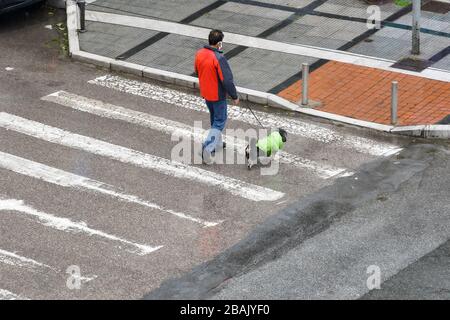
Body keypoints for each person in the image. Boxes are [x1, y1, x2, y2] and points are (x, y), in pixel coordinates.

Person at [194, 29, 239, 163]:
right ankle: (207, 149)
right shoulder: (219, 58)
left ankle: (217, 144)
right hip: (218, 95)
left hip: (206, 93)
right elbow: (227, 80)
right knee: (219, 122)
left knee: (214, 119)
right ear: (219, 43)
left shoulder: (199, 54)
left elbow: (197, 71)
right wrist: (234, 95)